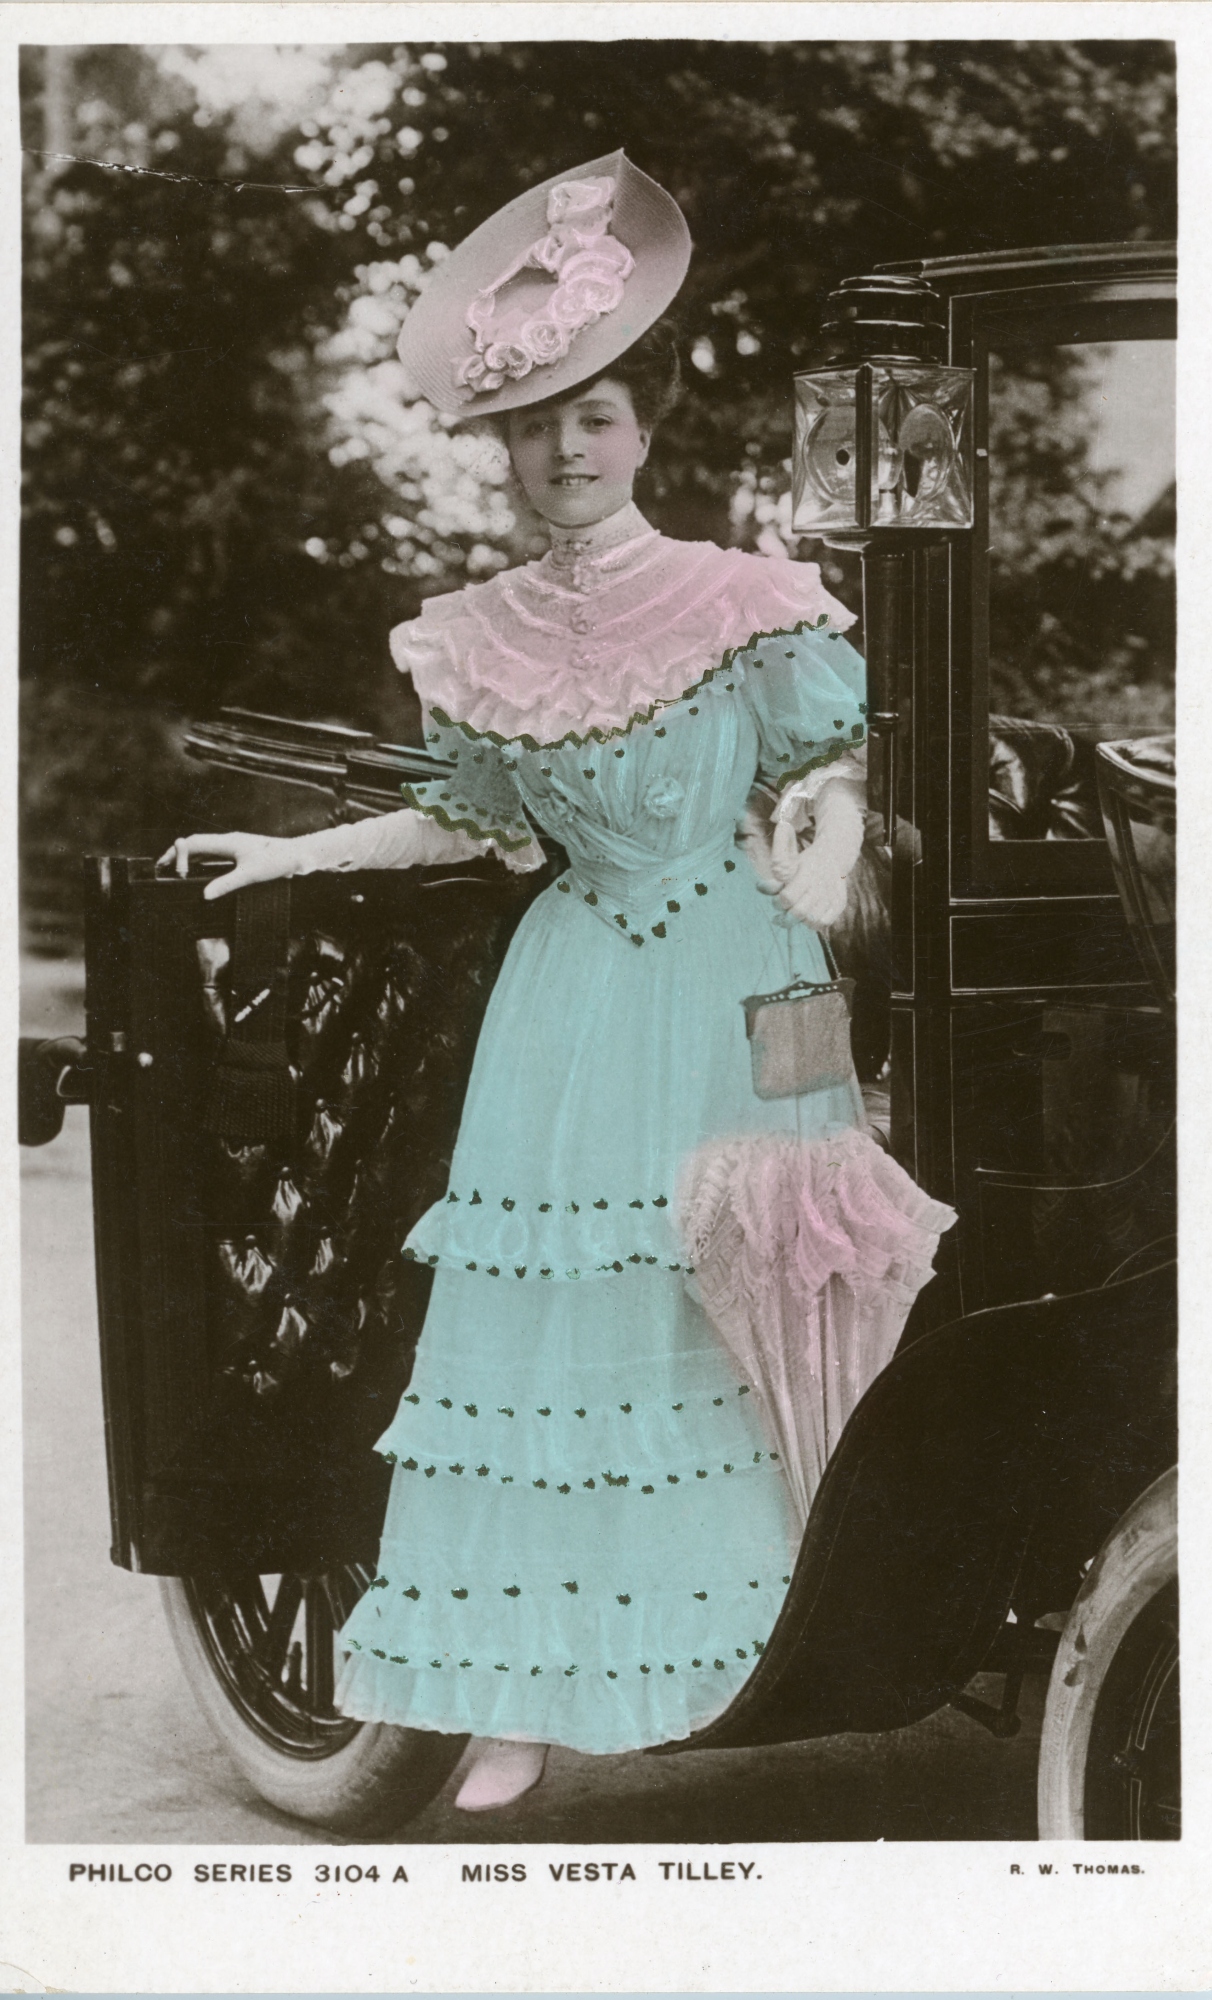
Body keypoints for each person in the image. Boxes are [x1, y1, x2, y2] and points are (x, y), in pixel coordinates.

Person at [163, 151, 953, 1813]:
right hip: (574, 999)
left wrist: (819, 845)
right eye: (534, 429)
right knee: (553, 1321)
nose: (567, 453)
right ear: (504, 451)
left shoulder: (749, 605)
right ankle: (517, 1690)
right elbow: (471, 819)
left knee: (761, 1277)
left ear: (644, 431)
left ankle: (783, 1644)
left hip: (751, 979)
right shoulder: (477, 635)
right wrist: (290, 857)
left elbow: (847, 761)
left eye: (594, 418)